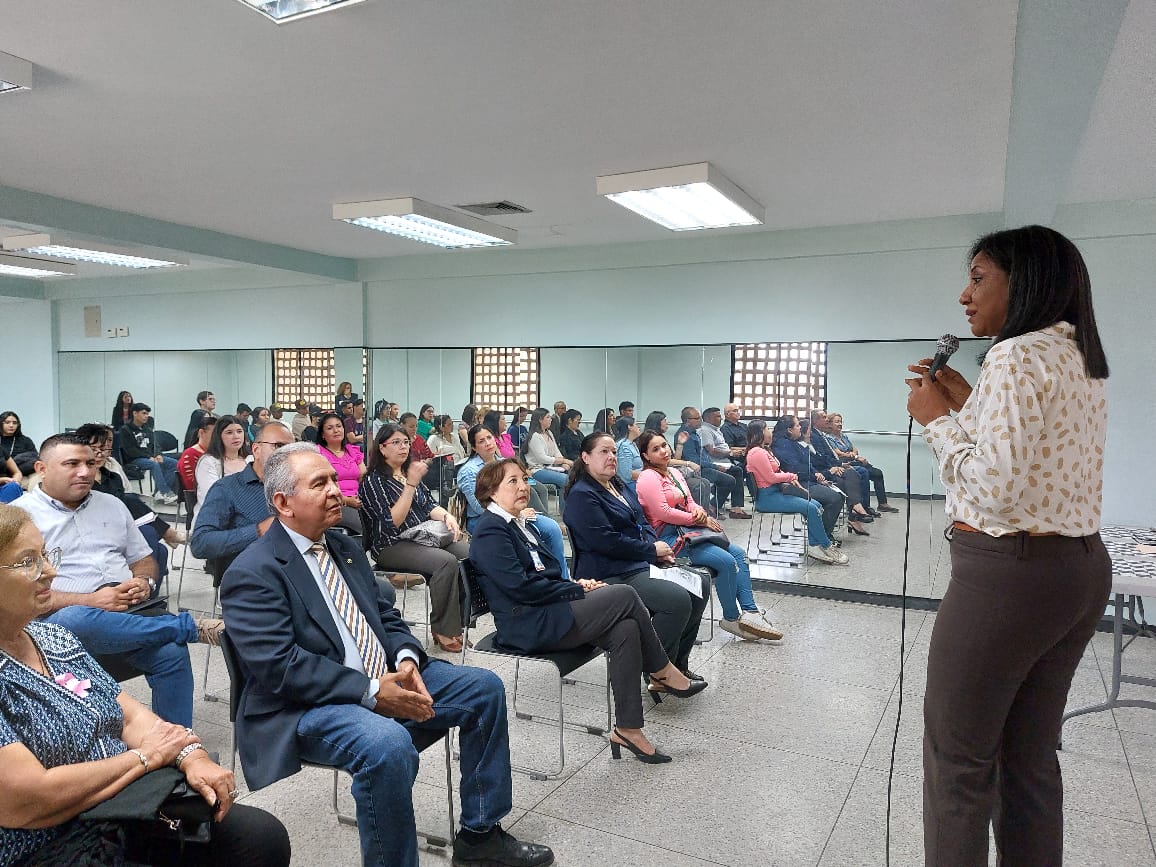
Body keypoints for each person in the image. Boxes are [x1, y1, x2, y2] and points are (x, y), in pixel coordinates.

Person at [219, 444, 553, 867]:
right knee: (388, 744)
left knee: (483, 688)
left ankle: (480, 836)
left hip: (382, 674)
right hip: (302, 705)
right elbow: (279, 667)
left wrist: (408, 660)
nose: (335, 492)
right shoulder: (253, 572)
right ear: (283, 503)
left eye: (334, 481)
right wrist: (373, 691)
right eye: (319, 484)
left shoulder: (342, 547)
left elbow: (385, 618)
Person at [905, 225, 1112, 866]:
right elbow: (1025, 457)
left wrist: (936, 420)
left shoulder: (1016, 355)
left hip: (1008, 579)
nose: (963, 295)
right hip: (1075, 571)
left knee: (959, 763)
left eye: (978, 277)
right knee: (1028, 757)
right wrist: (967, 402)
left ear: (1024, 283)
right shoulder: (1076, 354)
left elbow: (992, 489)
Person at [0, 504, 291, 867]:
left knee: (259, 837)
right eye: (28, 562)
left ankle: (185, 630)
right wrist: (146, 758)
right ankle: (189, 627)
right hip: (48, 842)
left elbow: (131, 717)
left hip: (125, 803)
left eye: (45, 555)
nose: (50, 572)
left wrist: (189, 755)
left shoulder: (53, 638)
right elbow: (29, 800)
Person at [470, 458, 706, 763]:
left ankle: (628, 728)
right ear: (490, 492)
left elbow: (544, 574)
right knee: (624, 594)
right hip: (527, 624)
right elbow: (522, 589)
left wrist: (576, 584)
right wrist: (576, 590)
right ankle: (662, 669)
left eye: (524, 480)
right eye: (512, 482)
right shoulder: (492, 531)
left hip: (548, 608)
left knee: (625, 628)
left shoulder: (516, 524)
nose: (523, 487)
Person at [13, 434, 223, 727]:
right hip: (57, 625)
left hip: (126, 615)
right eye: (72, 464)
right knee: (74, 619)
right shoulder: (20, 518)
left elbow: (143, 558)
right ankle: (190, 626)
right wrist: (90, 601)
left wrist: (144, 581)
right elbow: (21, 592)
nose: (86, 471)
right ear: (42, 468)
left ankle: (177, 745)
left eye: (90, 463)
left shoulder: (112, 504)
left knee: (170, 651)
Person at [563, 432, 710, 682]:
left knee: (700, 585)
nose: (611, 457)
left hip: (637, 563)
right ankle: (657, 671)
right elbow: (607, 542)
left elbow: (642, 522)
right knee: (676, 601)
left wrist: (657, 549)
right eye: (604, 452)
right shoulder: (583, 495)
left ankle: (677, 664)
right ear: (585, 457)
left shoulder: (616, 484)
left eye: (614, 452)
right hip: (609, 572)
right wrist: (651, 551)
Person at [635, 430, 782, 641]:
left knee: (739, 554)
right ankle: (731, 618)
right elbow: (663, 513)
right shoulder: (647, 477)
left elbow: (690, 501)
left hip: (690, 530)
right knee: (726, 561)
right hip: (669, 538)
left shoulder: (674, 473)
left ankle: (751, 613)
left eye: (664, 446)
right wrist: (698, 519)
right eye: (655, 449)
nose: (663, 451)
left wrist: (698, 511)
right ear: (646, 456)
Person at [359, 424, 467, 653]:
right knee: (445, 562)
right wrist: (410, 485)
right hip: (391, 544)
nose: (403, 447)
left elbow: (429, 506)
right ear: (382, 448)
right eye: (396, 442)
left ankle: (462, 620)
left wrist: (448, 517)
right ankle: (444, 629)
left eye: (406, 442)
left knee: (468, 553)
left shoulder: (409, 473)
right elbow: (391, 524)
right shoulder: (373, 481)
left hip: (423, 537)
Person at [455, 425, 568, 575]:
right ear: (474, 447)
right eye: (481, 441)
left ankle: (562, 578)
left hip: (514, 513)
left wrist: (520, 510)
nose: (488, 443)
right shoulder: (468, 471)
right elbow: (479, 506)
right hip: (484, 519)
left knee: (551, 527)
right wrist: (517, 514)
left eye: (489, 438)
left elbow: (522, 487)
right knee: (537, 533)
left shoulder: (505, 463)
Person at [76, 423, 183, 579]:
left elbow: (121, 505)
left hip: (119, 525)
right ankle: (166, 533)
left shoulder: (112, 476)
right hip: (94, 532)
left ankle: (145, 593)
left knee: (160, 550)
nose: (100, 454)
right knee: (146, 530)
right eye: (94, 449)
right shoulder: (77, 479)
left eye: (105, 449)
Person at [745, 420, 848, 565]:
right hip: (767, 497)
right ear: (760, 433)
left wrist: (788, 477)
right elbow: (770, 477)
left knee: (816, 505)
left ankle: (814, 544)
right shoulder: (756, 453)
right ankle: (825, 545)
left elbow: (776, 470)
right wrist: (791, 476)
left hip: (776, 491)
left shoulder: (764, 450)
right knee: (810, 507)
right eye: (766, 429)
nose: (769, 432)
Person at [190, 422, 295, 563]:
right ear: (256, 450)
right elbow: (200, 544)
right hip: (256, 574)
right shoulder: (227, 488)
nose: (287, 454)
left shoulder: (298, 486)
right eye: (278, 446)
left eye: (292, 449)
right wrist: (258, 530)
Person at [771, 415, 871, 537]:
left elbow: (807, 464)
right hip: (795, 484)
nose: (800, 428)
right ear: (789, 429)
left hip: (807, 479)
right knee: (835, 498)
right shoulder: (783, 445)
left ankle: (824, 535)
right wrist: (822, 474)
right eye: (797, 425)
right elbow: (796, 469)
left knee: (842, 486)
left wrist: (818, 474)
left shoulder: (792, 443)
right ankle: (821, 538)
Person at [673, 406, 748, 519]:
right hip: (696, 469)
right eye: (697, 418)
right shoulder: (686, 435)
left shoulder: (694, 433)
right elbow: (693, 460)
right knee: (728, 480)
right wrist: (715, 466)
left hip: (705, 465)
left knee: (735, 472)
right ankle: (712, 507)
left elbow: (702, 456)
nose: (700, 421)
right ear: (688, 420)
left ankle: (717, 506)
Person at [824, 412, 899, 512]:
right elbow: (838, 453)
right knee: (865, 473)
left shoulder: (843, 436)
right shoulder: (828, 438)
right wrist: (854, 456)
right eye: (837, 422)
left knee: (877, 473)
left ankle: (882, 504)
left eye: (841, 422)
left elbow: (854, 449)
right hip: (845, 463)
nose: (840, 424)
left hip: (854, 460)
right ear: (830, 424)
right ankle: (865, 506)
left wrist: (854, 455)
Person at [312, 412, 365, 533]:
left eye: (339, 426)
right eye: (330, 428)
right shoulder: (317, 453)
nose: (336, 430)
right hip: (334, 502)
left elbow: (363, 476)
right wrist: (346, 500)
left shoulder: (352, 451)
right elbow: (319, 486)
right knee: (361, 525)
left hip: (358, 500)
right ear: (323, 434)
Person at [119, 403, 180, 506]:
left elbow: (155, 445)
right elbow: (130, 450)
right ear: (135, 413)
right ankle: (166, 493)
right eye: (144, 413)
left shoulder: (147, 429)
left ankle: (159, 491)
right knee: (154, 464)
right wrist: (149, 457)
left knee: (174, 463)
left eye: (147, 414)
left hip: (150, 457)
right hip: (135, 459)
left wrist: (158, 454)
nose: (146, 416)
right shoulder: (126, 430)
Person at [701, 406, 751, 514]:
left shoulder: (715, 429)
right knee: (738, 471)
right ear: (709, 418)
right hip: (715, 462)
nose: (721, 418)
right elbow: (711, 451)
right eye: (718, 416)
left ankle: (724, 505)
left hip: (725, 459)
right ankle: (721, 506)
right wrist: (730, 453)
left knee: (741, 469)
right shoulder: (705, 430)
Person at [520, 408, 572, 508]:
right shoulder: (535, 436)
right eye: (548, 417)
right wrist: (563, 460)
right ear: (540, 419)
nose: (551, 419)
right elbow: (542, 458)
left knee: (572, 477)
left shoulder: (549, 433)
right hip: (537, 470)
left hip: (551, 468)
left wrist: (562, 463)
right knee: (566, 480)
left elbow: (557, 452)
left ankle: (566, 511)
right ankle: (565, 512)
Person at [178, 413, 217, 492]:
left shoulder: (216, 452)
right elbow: (191, 485)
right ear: (201, 433)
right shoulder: (190, 454)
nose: (217, 438)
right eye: (214, 434)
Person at [1, 411, 37, 479]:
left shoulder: (26, 440)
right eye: (7, 422)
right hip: (2, 474)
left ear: (18, 425)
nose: (11, 425)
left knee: (37, 477)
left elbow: (34, 458)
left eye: (14, 423)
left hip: (24, 474)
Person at [613, 416, 642, 490]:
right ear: (629, 427)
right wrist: (650, 475)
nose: (639, 428)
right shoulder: (623, 446)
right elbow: (627, 474)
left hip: (638, 482)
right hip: (629, 487)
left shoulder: (632, 443)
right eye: (636, 425)